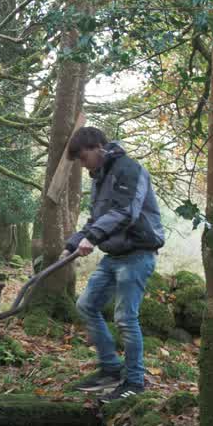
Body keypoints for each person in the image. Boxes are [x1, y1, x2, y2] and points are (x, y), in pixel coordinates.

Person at [62, 126, 165, 402]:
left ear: (97, 147)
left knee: (125, 318)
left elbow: (125, 212)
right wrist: (73, 243)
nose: (83, 167)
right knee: (86, 305)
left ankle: (134, 381)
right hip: (114, 255)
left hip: (138, 253)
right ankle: (109, 369)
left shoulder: (129, 169)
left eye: (83, 159)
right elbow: (96, 219)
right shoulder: (100, 178)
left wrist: (92, 238)